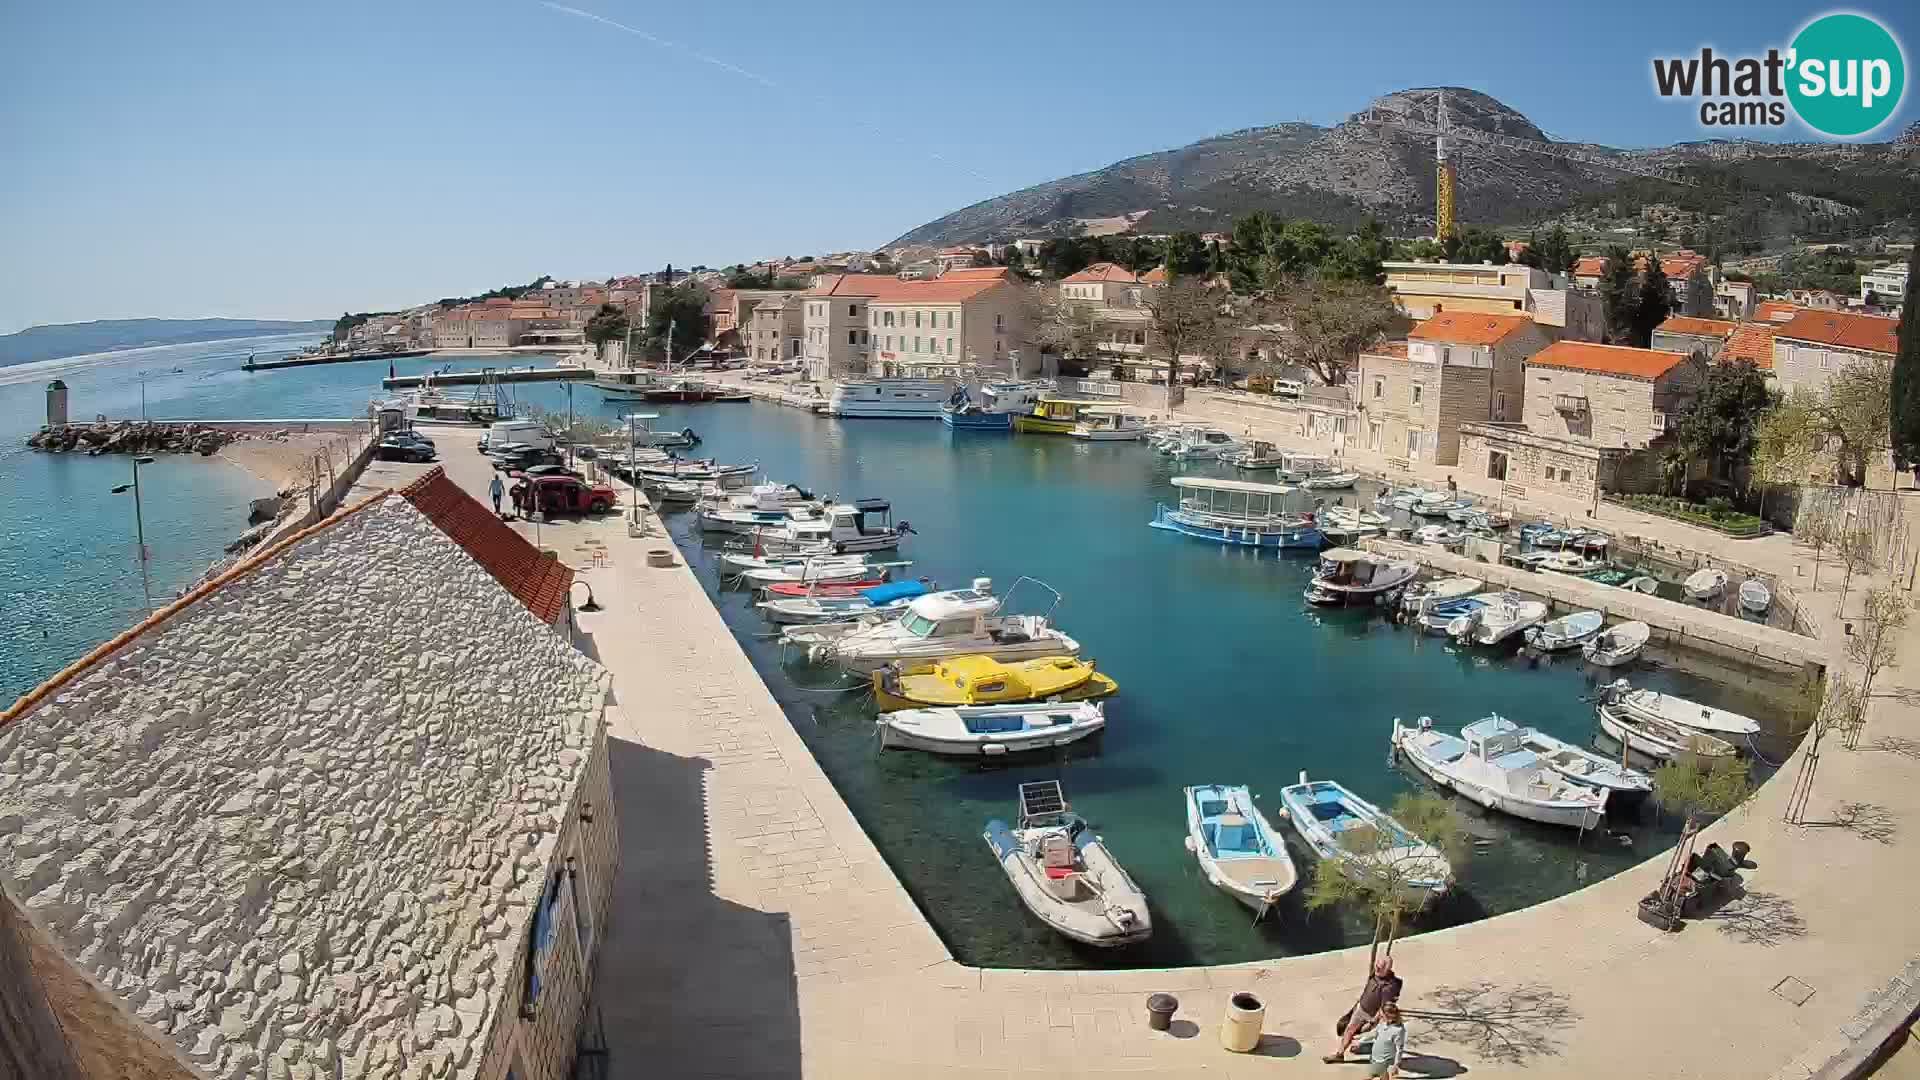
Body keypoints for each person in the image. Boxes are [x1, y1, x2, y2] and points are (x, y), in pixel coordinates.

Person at [1325, 955, 1403, 1063]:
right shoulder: (1375, 974)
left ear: (1387, 969)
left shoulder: (1389, 987)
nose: (1376, 969)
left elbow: (1384, 1008)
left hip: (1371, 1016)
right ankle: (1339, 1054)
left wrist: (1373, 1022)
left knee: (1368, 1036)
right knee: (1349, 1029)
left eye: (1379, 968)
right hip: (1361, 1009)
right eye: (1376, 966)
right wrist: (1357, 1006)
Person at [1367, 1003, 1406, 1078]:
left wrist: (1396, 1065)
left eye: (1381, 1015)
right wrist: (1359, 1040)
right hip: (1374, 1059)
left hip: (1384, 1062)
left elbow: (1399, 1049)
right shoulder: (1382, 1024)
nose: (1380, 1016)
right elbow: (1373, 1035)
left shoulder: (1398, 1030)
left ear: (1388, 1016)